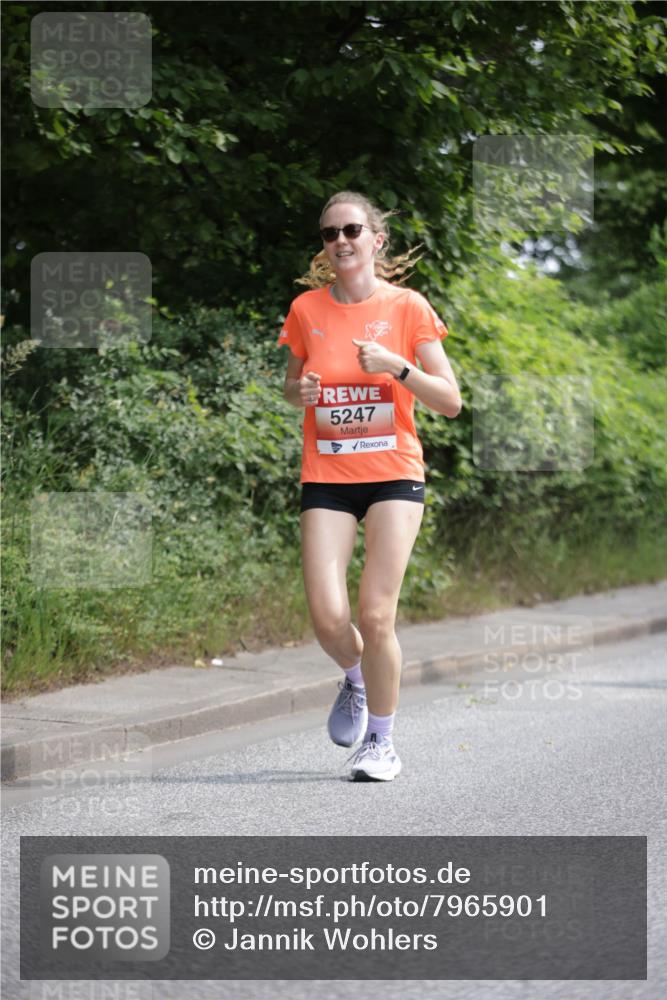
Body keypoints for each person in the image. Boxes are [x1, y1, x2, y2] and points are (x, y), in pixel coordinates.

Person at [277, 191, 462, 781]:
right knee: (329, 620)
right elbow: (291, 384)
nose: (340, 242)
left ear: (376, 239)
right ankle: (356, 679)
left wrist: (396, 367)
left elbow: (451, 401)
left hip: (394, 475)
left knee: (375, 614)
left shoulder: (407, 307)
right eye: (330, 233)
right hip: (328, 476)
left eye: (352, 230)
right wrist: (299, 393)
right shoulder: (306, 309)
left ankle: (381, 744)